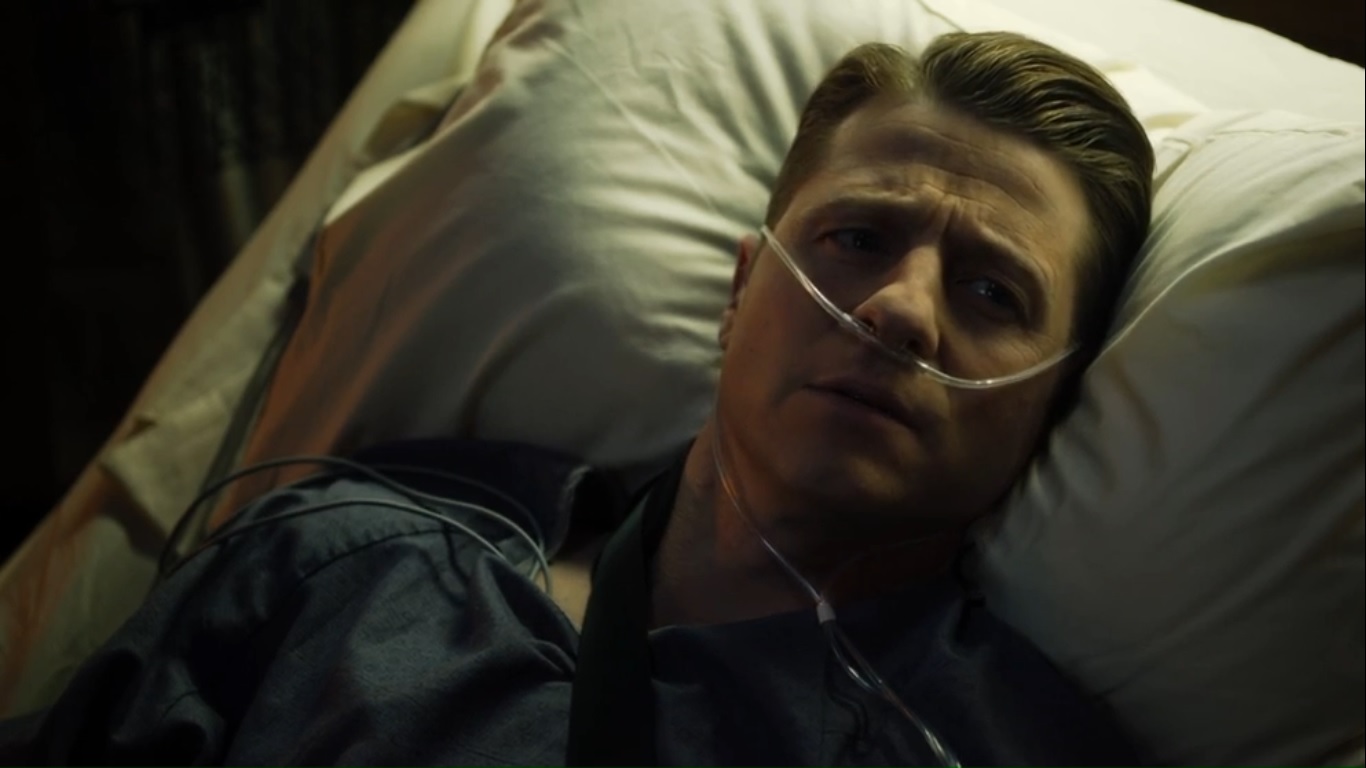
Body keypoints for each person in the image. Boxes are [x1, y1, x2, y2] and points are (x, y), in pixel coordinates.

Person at [0, 30, 1154, 765]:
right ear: (740, 291)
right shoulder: (354, 565)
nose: (900, 309)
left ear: (1050, 404)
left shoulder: (1004, 746)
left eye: (994, 291)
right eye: (856, 238)